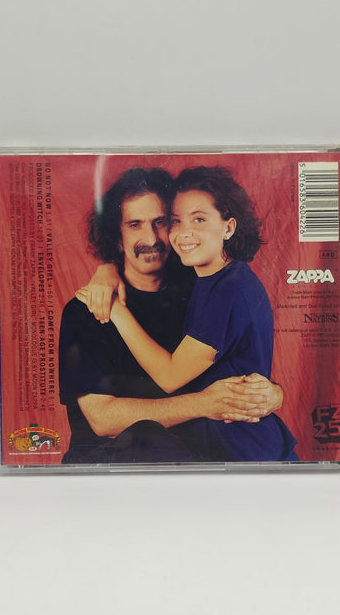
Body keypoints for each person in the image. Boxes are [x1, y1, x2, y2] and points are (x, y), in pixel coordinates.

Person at [59, 167, 284, 464]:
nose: (151, 237)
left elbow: (240, 363)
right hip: (112, 463)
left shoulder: (198, 290)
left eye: (161, 223)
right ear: (117, 237)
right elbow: (103, 420)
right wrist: (202, 404)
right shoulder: (86, 310)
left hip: (189, 460)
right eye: (135, 225)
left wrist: (273, 394)